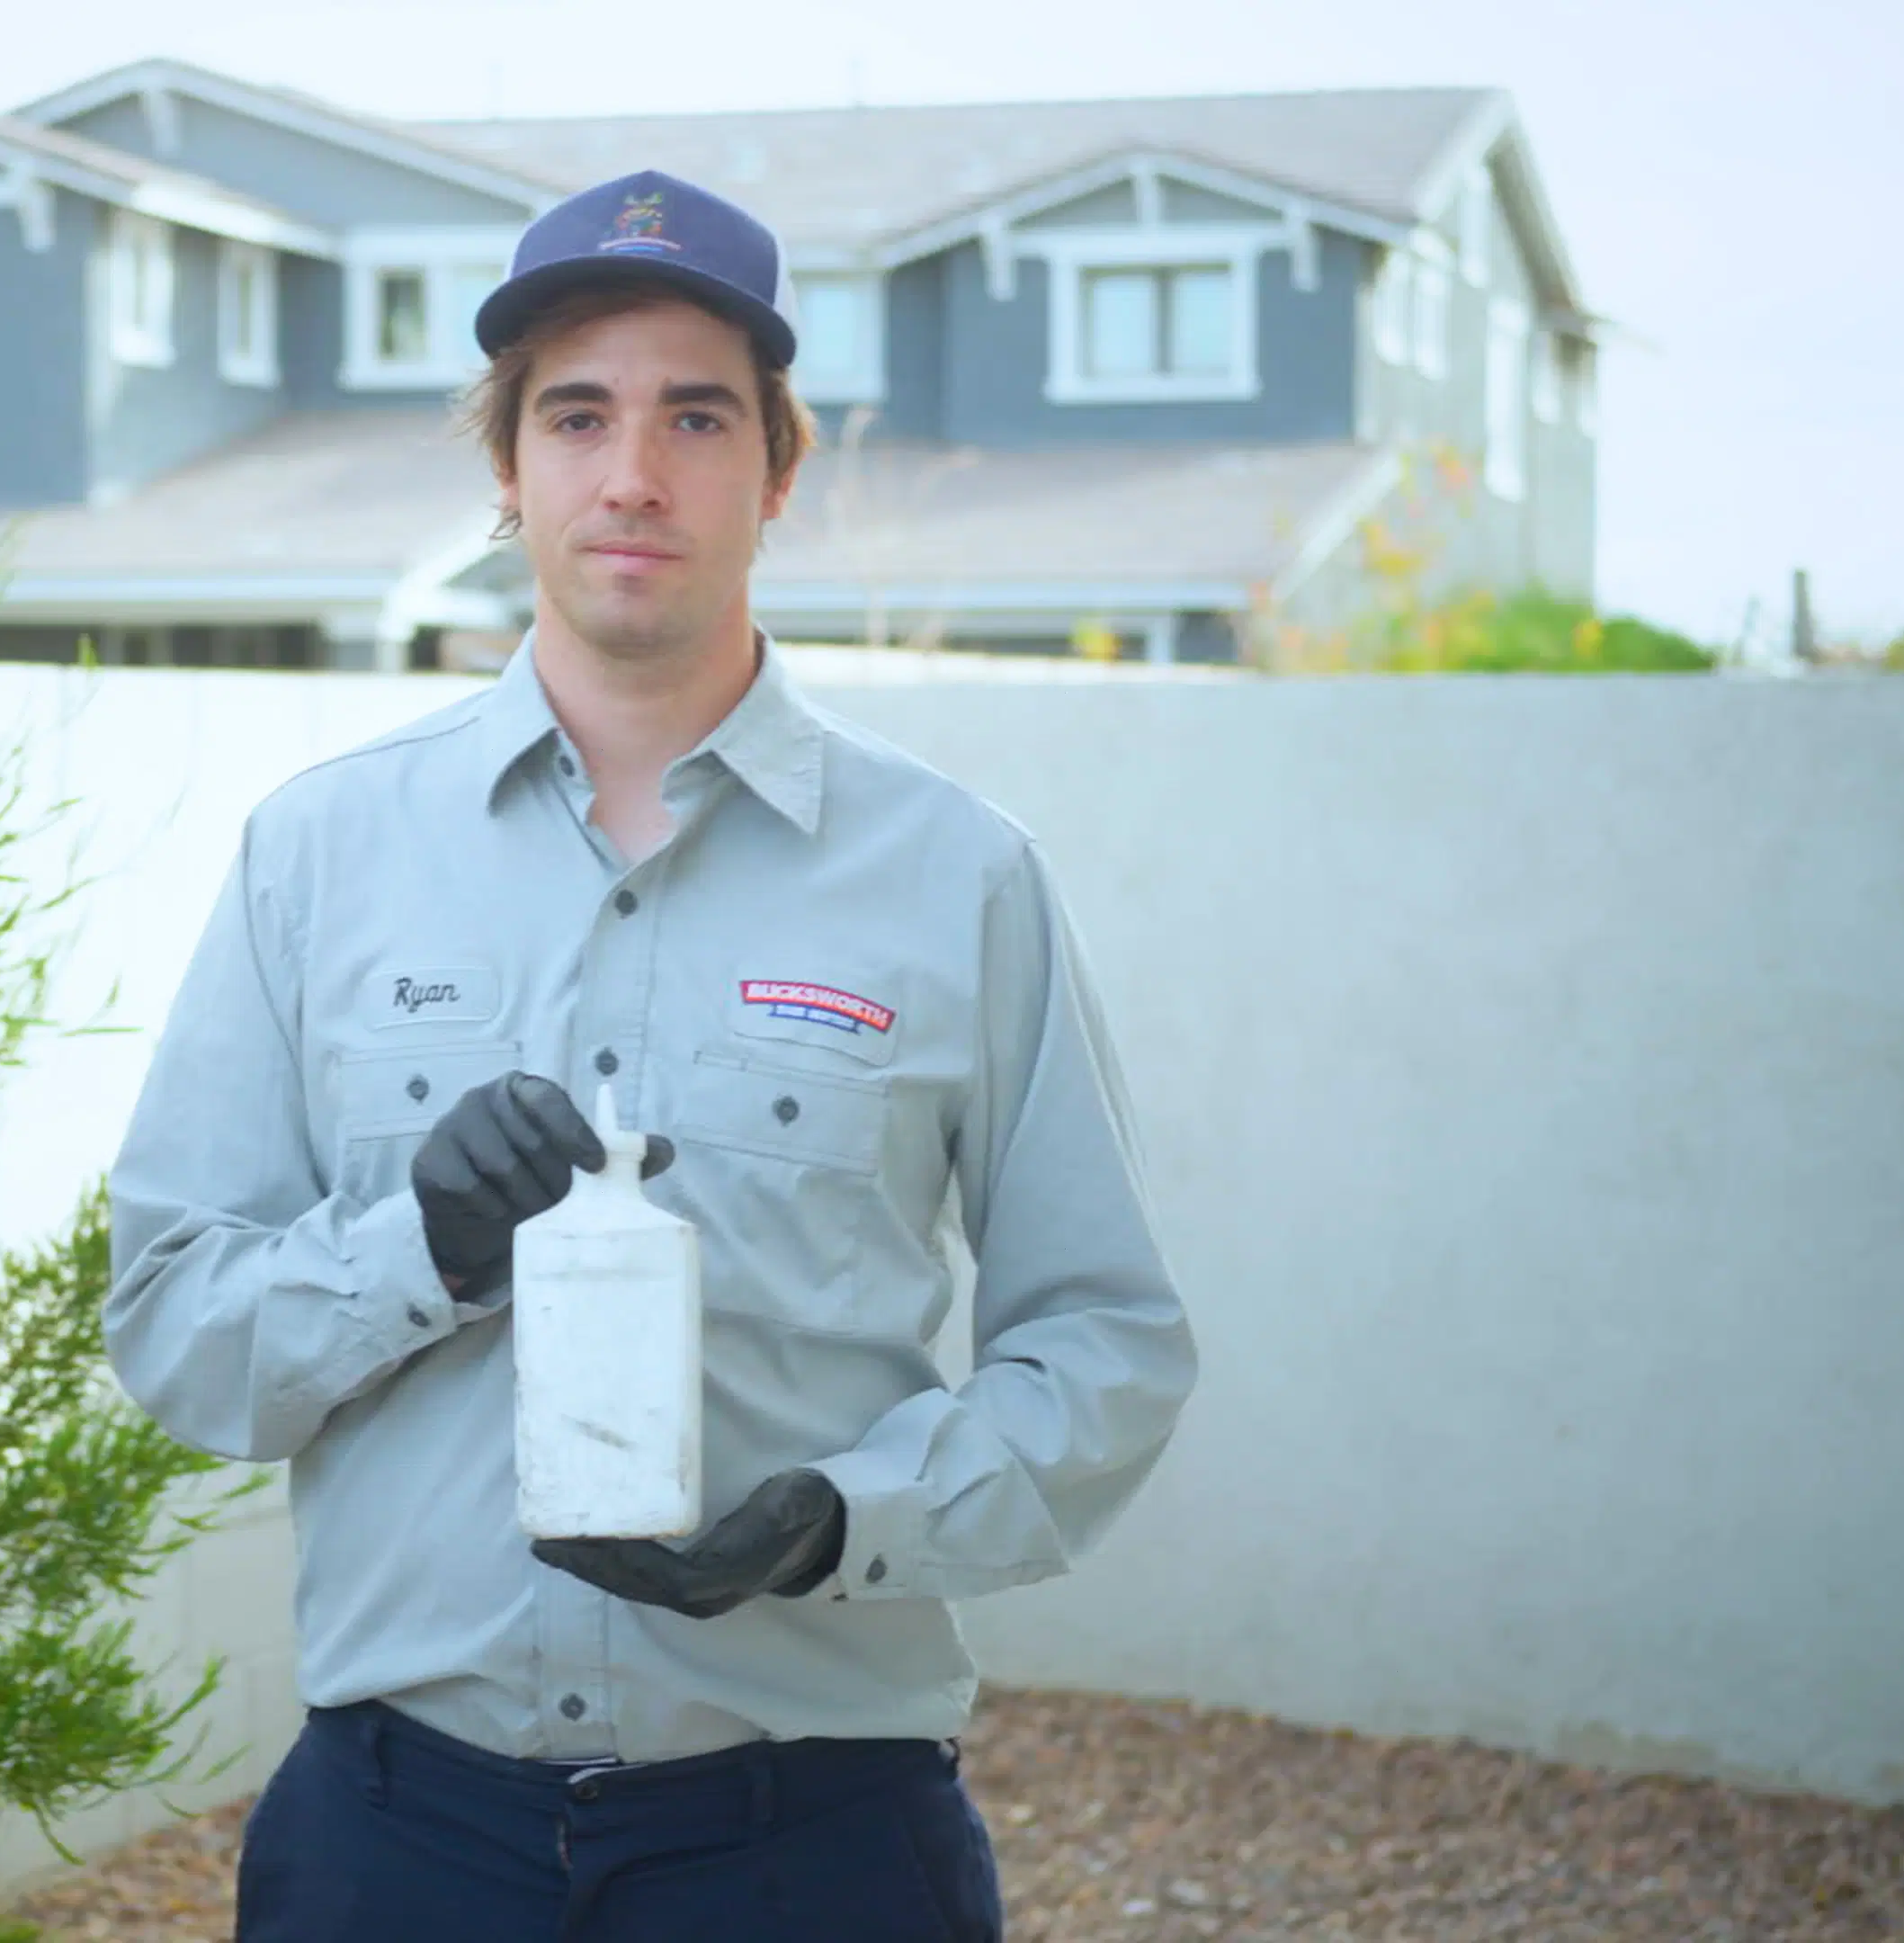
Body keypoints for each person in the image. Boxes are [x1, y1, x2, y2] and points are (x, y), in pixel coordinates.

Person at [103, 166, 1196, 1942]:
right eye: (578, 414)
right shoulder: (319, 857)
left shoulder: (956, 876)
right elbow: (177, 1335)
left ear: (776, 471)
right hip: (395, 1848)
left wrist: (845, 1522)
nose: (633, 474)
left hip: (815, 1845)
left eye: (696, 415)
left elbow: (1108, 1342)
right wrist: (419, 1255)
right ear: (507, 469)